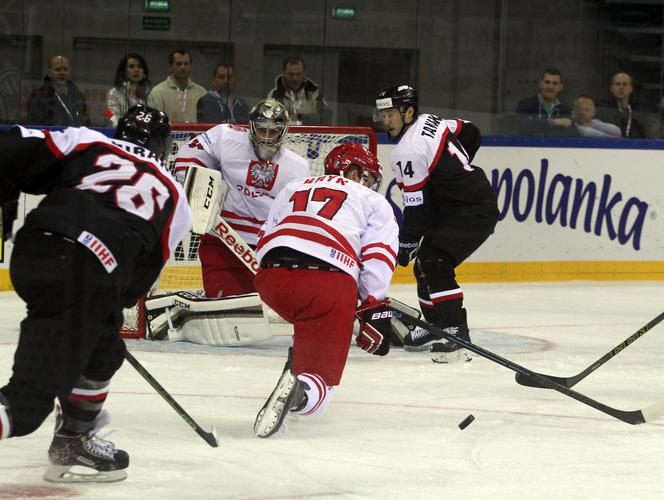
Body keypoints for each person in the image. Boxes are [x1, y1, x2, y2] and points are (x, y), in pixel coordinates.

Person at [0, 105, 192, 482]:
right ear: (164, 147)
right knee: (23, 408)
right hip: (86, 272)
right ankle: (68, 433)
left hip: (34, 249)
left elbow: (15, 150)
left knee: (105, 350)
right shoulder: (174, 195)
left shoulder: (89, 141)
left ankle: (74, 439)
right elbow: (137, 283)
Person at [252, 142, 399, 438]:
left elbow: (265, 234)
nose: (370, 184)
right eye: (368, 176)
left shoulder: (294, 186)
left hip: (271, 280)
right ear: (355, 173)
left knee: (309, 318)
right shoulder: (371, 199)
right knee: (321, 388)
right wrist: (371, 304)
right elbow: (379, 255)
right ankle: (301, 390)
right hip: (326, 283)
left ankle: (298, 363)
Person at [374, 85, 499, 363]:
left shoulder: (409, 150)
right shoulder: (431, 121)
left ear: (407, 111)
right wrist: (454, 171)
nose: (386, 121)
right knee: (425, 263)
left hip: (472, 209)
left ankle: (456, 333)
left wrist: (404, 245)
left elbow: (417, 209)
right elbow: (470, 131)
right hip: (460, 205)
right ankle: (437, 326)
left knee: (434, 260)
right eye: (383, 114)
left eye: (391, 113)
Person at [173, 98, 309, 298]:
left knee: (264, 314)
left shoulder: (298, 168)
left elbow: (295, 218)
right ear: (251, 127)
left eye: (273, 132)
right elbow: (187, 156)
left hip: (265, 251)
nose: (267, 138)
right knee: (223, 306)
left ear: (283, 131)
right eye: (262, 130)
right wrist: (200, 187)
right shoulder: (225, 138)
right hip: (221, 242)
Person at [26, 55, 90, 126]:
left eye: (65, 69)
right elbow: (33, 123)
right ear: (49, 72)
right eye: (58, 69)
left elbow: (85, 122)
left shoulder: (78, 96)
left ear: (69, 72)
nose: (62, 73)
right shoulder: (38, 96)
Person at [267, 56, 329, 125]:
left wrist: (301, 117)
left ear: (304, 74)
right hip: (286, 133)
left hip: (310, 134)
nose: (295, 78)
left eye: (299, 74)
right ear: (284, 73)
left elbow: (325, 117)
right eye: (291, 74)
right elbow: (270, 120)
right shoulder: (275, 94)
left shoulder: (313, 93)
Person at [148, 49, 206, 123]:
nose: (183, 67)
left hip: (196, 134)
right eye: (179, 64)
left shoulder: (201, 92)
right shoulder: (157, 92)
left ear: (190, 66)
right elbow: (154, 121)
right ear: (170, 66)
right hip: (168, 134)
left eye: (186, 64)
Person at [515, 68, 577, 136]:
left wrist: (538, 124)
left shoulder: (565, 110)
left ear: (560, 87)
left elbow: (572, 133)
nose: (550, 87)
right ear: (541, 84)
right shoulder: (525, 105)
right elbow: (523, 126)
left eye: (555, 83)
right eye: (547, 82)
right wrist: (556, 122)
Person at [104, 53, 152, 127]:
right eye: (131, 67)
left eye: (139, 67)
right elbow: (112, 119)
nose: (136, 70)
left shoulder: (149, 95)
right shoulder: (114, 93)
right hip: (121, 135)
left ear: (144, 72)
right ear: (124, 72)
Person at [597, 72, 647, 138]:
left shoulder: (639, 112)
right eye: (617, 84)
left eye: (625, 84)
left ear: (631, 88)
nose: (621, 87)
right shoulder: (603, 110)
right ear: (611, 88)